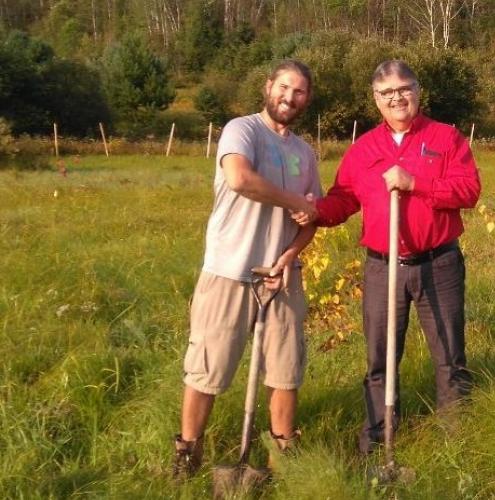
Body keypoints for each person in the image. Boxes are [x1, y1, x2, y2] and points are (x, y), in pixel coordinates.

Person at [302, 59, 481, 453]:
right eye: (387, 93)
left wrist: (415, 183)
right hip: (384, 268)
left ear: (417, 92)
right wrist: (316, 210)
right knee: (380, 359)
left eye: (404, 89)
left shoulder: (446, 138)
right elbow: (344, 198)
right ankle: (378, 439)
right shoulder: (364, 148)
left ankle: (457, 442)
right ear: (376, 100)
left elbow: (468, 191)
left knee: (450, 355)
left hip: (439, 264)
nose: (397, 98)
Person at [173, 59, 321, 478]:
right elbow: (239, 179)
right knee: (208, 366)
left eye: (299, 92)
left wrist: (289, 256)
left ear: (306, 99)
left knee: (286, 368)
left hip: (281, 277)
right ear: (268, 86)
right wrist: (294, 202)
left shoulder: (304, 152)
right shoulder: (243, 130)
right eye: (284, 88)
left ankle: (282, 457)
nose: (289, 98)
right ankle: (188, 453)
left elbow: (311, 218)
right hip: (230, 270)